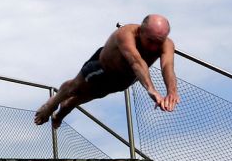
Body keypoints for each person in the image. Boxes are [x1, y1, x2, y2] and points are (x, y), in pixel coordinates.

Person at [34, 15, 180, 129]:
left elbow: (167, 66)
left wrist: (172, 92)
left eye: (158, 42)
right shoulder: (125, 33)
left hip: (122, 81)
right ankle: (52, 103)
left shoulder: (167, 44)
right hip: (101, 69)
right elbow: (136, 62)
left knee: (84, 98)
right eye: (150, 41)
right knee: (75, 87)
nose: (154, 47)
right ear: (141, 31)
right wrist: (151, 90)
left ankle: (62, 112)